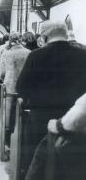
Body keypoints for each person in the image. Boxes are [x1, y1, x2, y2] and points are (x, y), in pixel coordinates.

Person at [16, 20, 86, 174]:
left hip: (40, 119)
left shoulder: (36, 56)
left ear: (45, 36)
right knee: (69, 168)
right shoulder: (83, 55)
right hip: (73, 121)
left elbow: (21, 87)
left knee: (37, 163)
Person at [0, 33, 30, 143]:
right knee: (23, 108)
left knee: (8, 109)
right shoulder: (28, 52)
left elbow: (1, 72)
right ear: (21, 40)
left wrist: (4, 78)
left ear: (10, 40)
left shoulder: (7, 53)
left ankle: (7, 135)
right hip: (25, 86)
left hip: (10, 85)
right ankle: (21, 134)